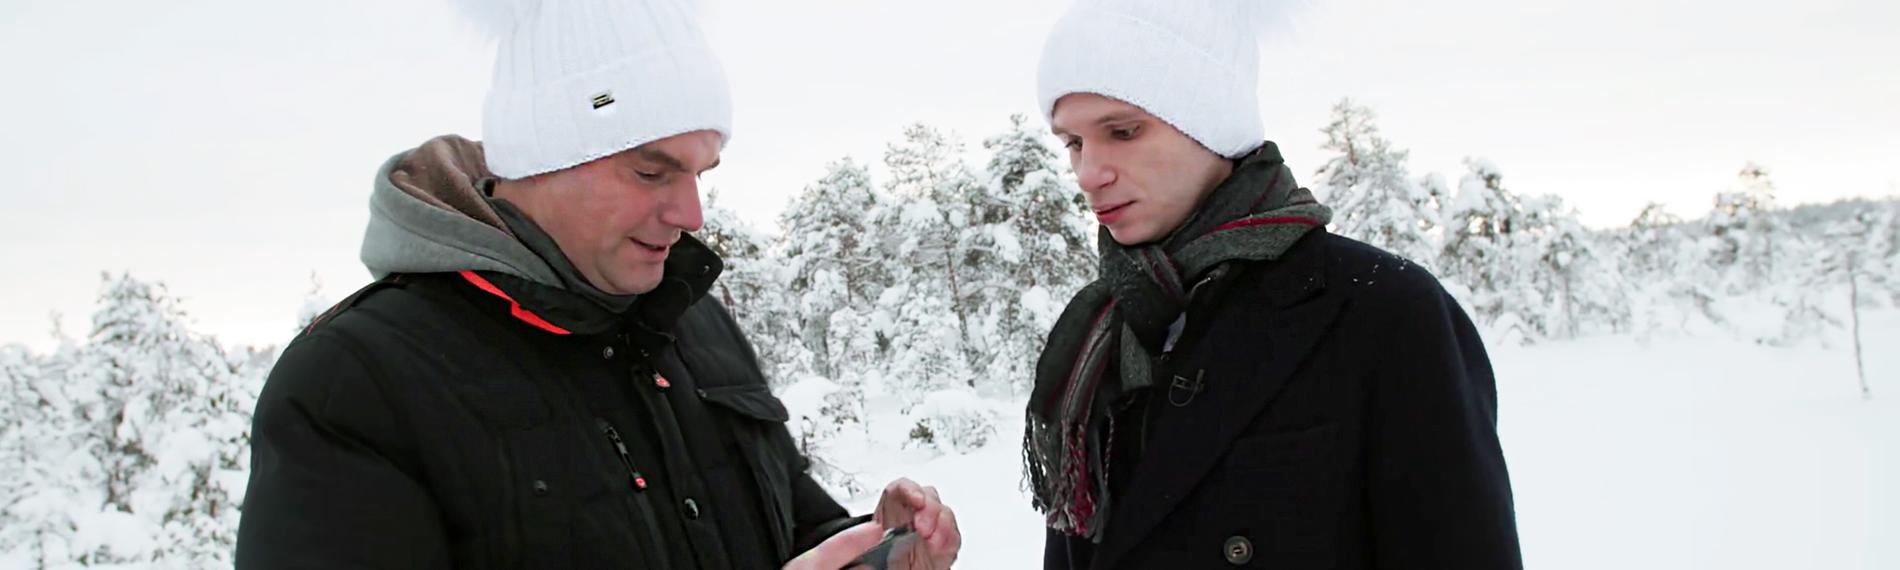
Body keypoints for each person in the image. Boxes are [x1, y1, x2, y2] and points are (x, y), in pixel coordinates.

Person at [235, 0, 958, 567]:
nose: (691, 214)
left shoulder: (691, 322)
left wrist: (863, 550)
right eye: (652, 171)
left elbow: (780, 523)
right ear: (540, 154)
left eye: (701, 174)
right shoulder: (354, 386)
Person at [1023, 0, 1522, 568]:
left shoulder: (1384, 313)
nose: (1089, 173)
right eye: (1073, 143)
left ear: (1207, 123)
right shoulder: (1098, 336)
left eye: (1123, 131)